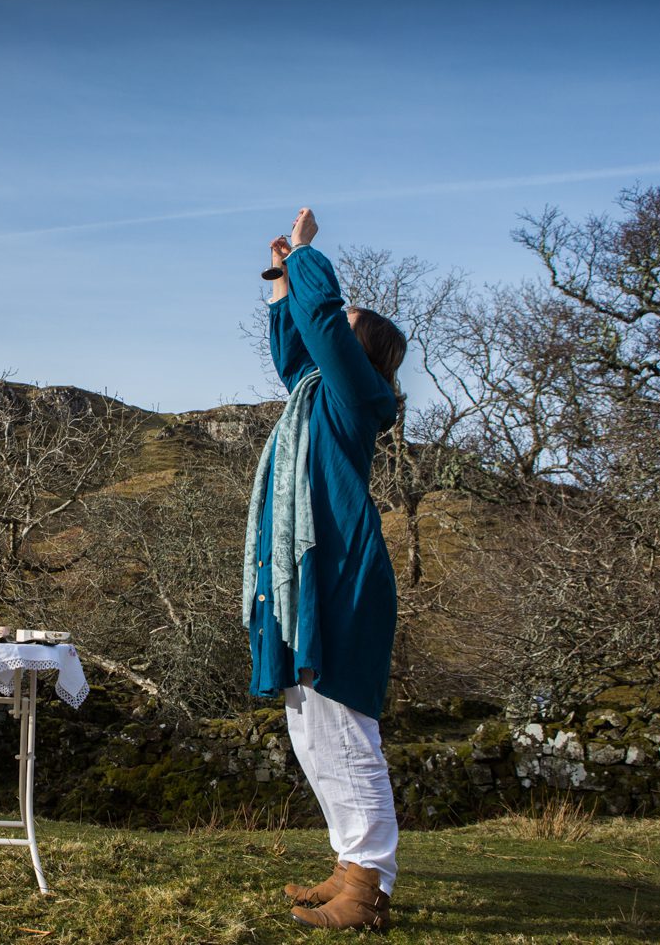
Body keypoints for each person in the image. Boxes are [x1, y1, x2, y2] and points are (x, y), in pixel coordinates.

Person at [243, 207, 406, 932]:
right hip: (312, 573)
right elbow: (295, 349)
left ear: (357, 347)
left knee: (345, 726)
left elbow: (321, 321)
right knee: (312, 726)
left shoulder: (358, 397)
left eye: (345, 323)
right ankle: (348, 863)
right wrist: (281, 278)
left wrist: (307, 255)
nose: (330, 328)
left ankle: (369, 885)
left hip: (340, 571)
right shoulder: (316, 391)